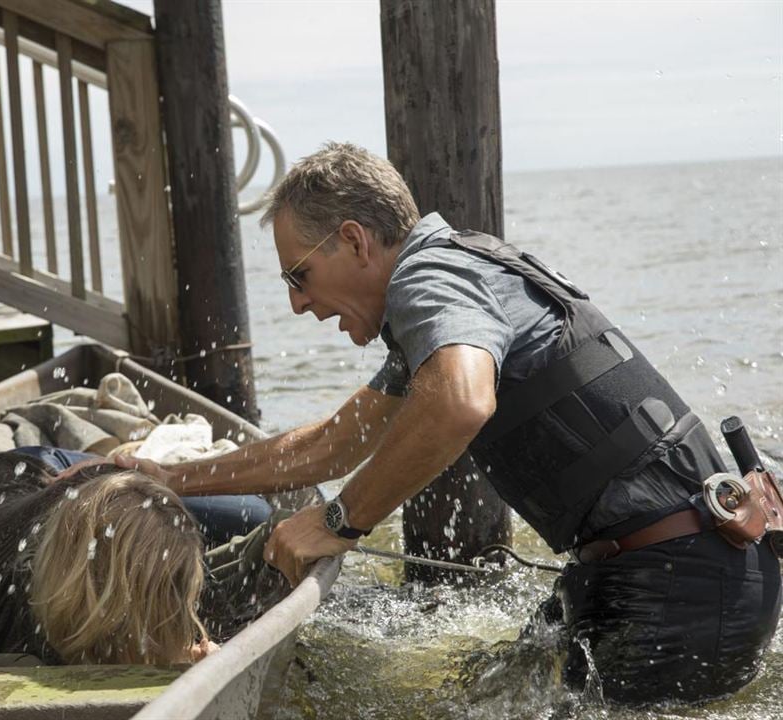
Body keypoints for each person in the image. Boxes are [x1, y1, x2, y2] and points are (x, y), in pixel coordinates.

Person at [117, 142, 781, 703]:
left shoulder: (429, 279)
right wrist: (170, 478)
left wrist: (335, 522)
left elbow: (461, 402)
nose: (296, 303)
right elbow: (328, 445)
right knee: (480, 692)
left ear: (353, 241)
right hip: (679, 565)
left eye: (300, 274)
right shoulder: (455, 279)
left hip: (687, 584)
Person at [0, 447, 285, 667]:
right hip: (23, 478)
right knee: (252, 513)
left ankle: (119, 461)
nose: (181, 609)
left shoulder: (79, 562)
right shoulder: (21, 624)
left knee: (254, 514)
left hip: (60, 485)